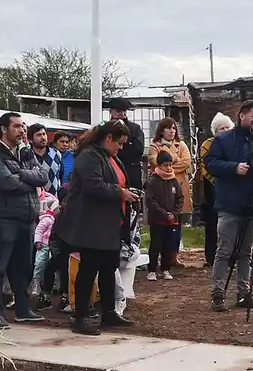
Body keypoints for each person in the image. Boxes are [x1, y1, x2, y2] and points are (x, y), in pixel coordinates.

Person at [56, 121, 138, 336]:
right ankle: (80, 316)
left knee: (109, 267)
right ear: (108, 138)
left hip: (110, 223)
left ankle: (109, 312)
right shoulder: (88, 156)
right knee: (89, 268)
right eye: (119, 143)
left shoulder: (109, 156)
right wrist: (120, 193)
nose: (121, 148)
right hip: (91, 223)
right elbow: (94, 186)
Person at [205, 101, 253, 312]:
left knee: (246, 252)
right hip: (230, 204)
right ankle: (218, 294)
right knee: (224, 251)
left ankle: (244, 293)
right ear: (242, 116)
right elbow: (210, 163)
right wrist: (233, 168)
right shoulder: (224, 140)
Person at [0, 112, 51, 328]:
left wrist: (20, 174)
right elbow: (7, 183)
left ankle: (23, 310)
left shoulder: (26, 151)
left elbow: (43, 177)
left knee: (24, 266)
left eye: (23, 126)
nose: (22, 130)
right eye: (16, 126)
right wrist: (29, 180)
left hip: (27, 217)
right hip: (5, 219)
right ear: (4, 129)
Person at [197, 113, 235, 267]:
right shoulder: (207, 145)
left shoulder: (235, 144)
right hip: (212, 188)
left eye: (227, 127)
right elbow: (206, 166)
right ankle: (211, 256)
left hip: (232, 188)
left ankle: (232, 257)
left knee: (232, 224)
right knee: (213, 223)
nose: (224, 130)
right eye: (221, 128)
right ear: (215, 131)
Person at [144, 150, 184, 279]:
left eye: (170, 165)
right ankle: (152, 269)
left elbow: (180, 198)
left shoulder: (174, 181)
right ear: (159, 165)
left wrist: (174, 213)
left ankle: (165, 268)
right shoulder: (153, 181)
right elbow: (150, 200)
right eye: (165, 165)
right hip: (157, 219)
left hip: (171, 220)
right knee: (156, 244)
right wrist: (163, 213)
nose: (168, 168)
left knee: (168, 245)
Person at [147, 118, 194, 219]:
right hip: (161, 185)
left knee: (179, 213)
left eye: (174, 128)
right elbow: (156, 163)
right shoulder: (154, 146)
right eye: (168, 128)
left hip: (180, 183)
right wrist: (176, 158)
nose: (172, 131)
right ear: (161, 131)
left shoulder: (181, 145)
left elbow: (186, 162)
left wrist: (166, 166)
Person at [107, 98, 146, 189]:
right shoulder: (105, 127)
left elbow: (139, 149)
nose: (122, 114)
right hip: (111, 169)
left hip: (131, 170)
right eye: (118, 111)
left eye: (124, 111)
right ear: (111, 111)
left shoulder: (135, 128)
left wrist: (123, 146)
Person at [31, 192, 60, 301]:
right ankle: (36, 283)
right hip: (43, 245)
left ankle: (52, 285)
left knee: (52, 266)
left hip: (53, 247)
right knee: (39, 264)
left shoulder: (58, 220)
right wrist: (38, 241)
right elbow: (39, 230)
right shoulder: (47, 219)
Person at [28, 124, 62, 196]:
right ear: (30, 140)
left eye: (44, 134)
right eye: (38, 135)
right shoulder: (27, 156)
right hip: (36, 198)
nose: (43, 137)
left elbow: (60, 175)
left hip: (54, 199)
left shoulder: (56, 153)